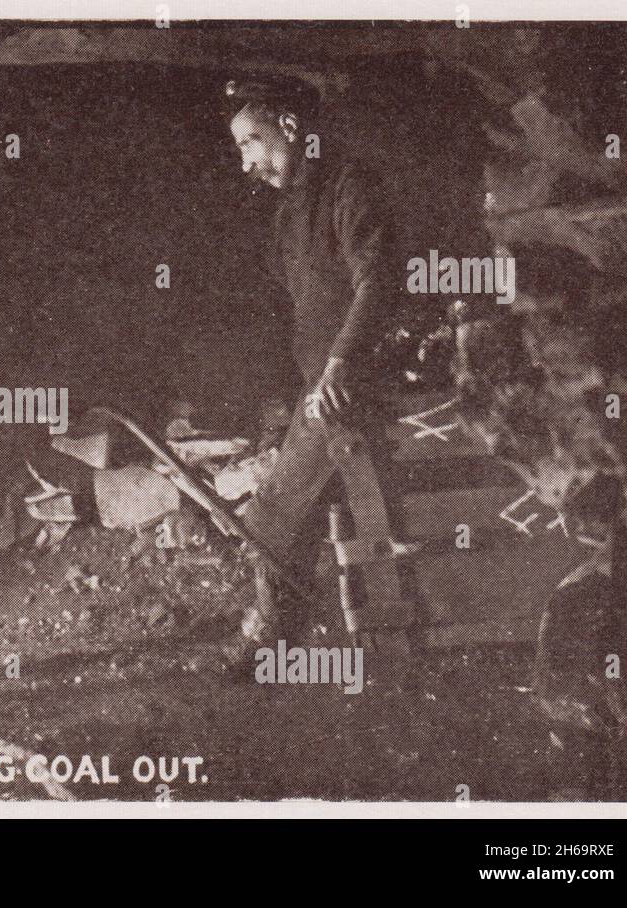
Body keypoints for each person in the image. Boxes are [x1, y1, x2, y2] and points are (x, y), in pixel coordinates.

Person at [220, 79, 402, 667]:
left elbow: (378, 278)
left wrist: (340, 362)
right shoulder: (293, 208)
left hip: (354, 383)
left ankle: (272, 637)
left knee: (270, 511)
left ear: (291, 128)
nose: (249, 163)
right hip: (320, 385)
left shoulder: (347, 186)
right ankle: (304, 625)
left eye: (254, 142)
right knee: (294, 503)